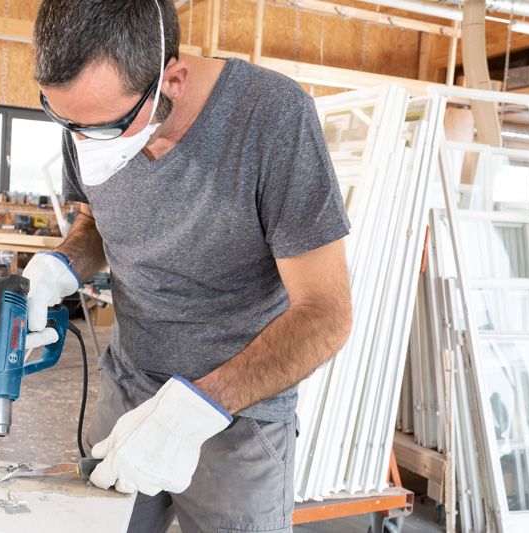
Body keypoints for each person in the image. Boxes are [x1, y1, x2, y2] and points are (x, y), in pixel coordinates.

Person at [22, 1, 353, 531]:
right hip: (128, 391)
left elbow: (325, 315)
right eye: (67, 122)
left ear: (172, 81)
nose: (83, 141)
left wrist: (192, 412)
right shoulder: (87, 112)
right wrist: (61, 265)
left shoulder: (273, 117)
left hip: (237, 417)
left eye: (107, 128)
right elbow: (94, 221)